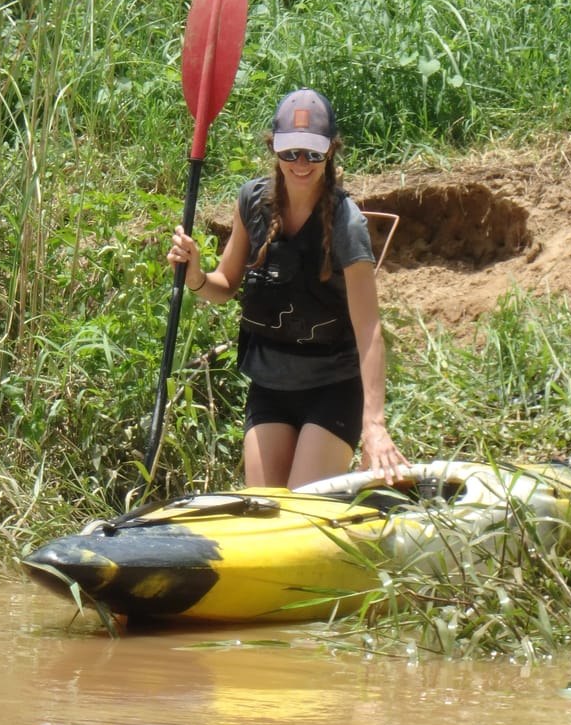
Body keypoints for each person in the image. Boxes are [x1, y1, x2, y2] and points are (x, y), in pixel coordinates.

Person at [167, 87, 407, 489]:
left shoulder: (347, 225)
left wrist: (375, 425)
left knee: (302, 506)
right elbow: (224, 286)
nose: (300, 163)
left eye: (312, 152)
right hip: (271, 386)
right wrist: (195, 276)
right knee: (265, 509)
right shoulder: (252, 202)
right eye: (289, 151)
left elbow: (369, 331)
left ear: (330, 151)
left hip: (332, 387)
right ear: (273, 149)